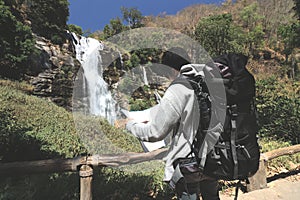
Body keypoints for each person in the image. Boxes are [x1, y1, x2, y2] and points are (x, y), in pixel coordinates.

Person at [118, 47, 220, 200]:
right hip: (213, 157)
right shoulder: (208, 82)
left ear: (171, 70)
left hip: (189, 163)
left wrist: (129, 125)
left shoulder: (179, 87)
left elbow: (155, 132)